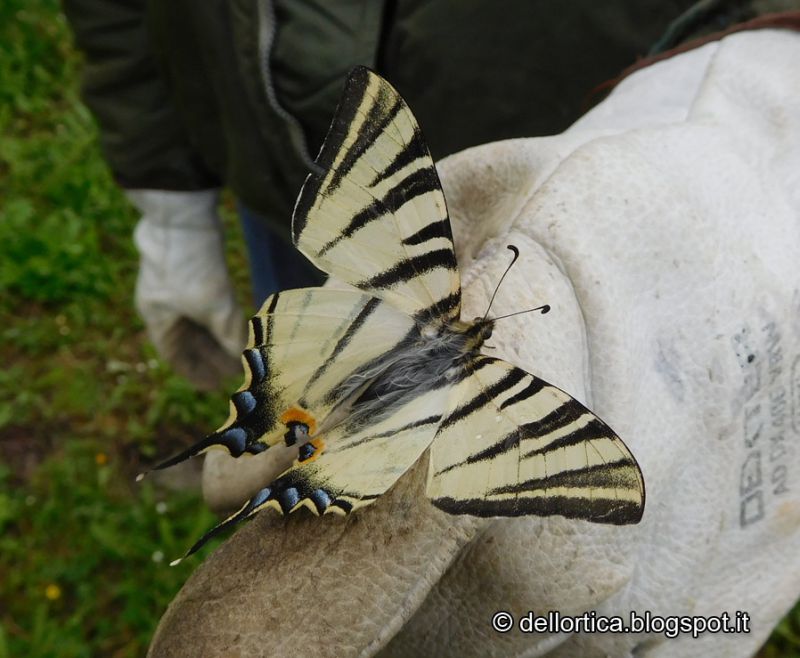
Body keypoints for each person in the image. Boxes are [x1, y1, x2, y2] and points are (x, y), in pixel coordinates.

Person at [60, 0, 770, 390]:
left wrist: (762, 85)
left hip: (575, 206)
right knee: (335, 445)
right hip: (289, 195)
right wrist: (170, 207)